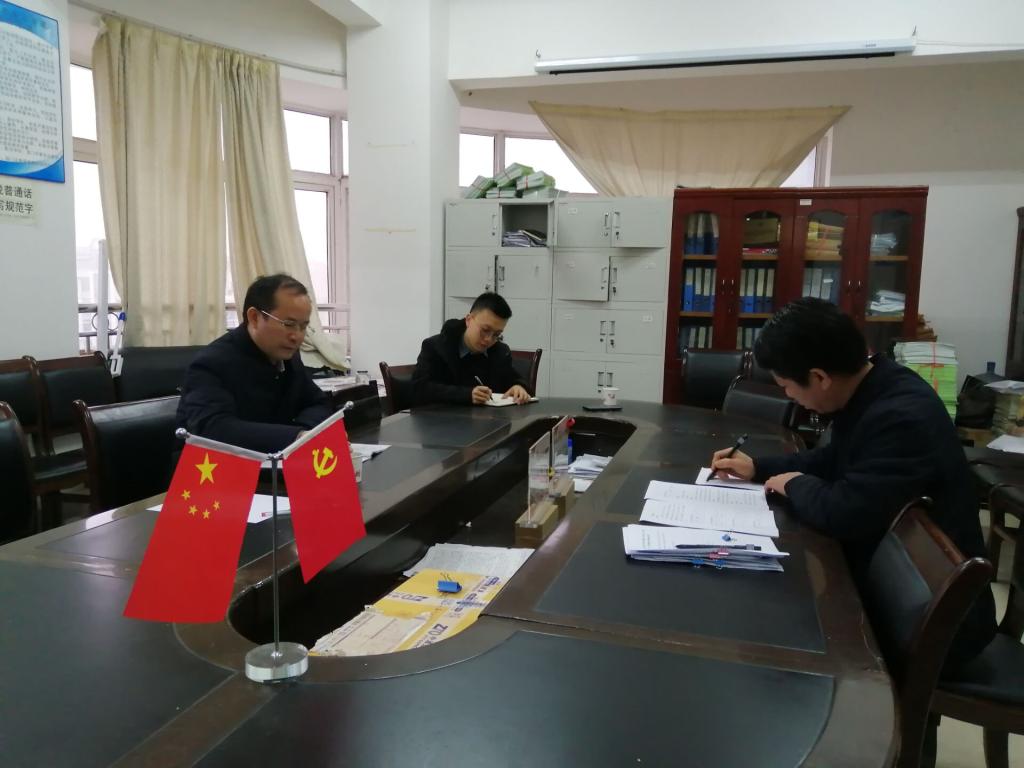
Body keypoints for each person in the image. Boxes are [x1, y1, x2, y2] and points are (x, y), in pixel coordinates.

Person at [711, 297, 996, 667]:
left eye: (786, 386)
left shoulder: (900, 417)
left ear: (819, 378)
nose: (788, 395)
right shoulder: (876, 385)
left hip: (934, 627)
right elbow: (834, 460)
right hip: (897, 590)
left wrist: (794, 484)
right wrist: (759, 468)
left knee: (768, 621)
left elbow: (845, 512)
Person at [176, 274, 331, 453]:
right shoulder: (211, 363)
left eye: (303, 326)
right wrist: (294, 437)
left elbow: (318, 403)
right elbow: (213, 428)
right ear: (255, 317)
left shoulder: (288, 356)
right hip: (212, 466)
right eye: (289, 324)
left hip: (275, 460)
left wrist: (303, 434)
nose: (296, 336)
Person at [413, 292, 531, 406]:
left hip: (490, 419)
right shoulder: (435, 347)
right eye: (485, 330)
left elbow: (513, 378)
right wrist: (466, 395)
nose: (488, 339)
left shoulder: (500, 352)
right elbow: (418, 388)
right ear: (468, 320)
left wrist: (519, 386)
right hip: (441, 418)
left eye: (497, 334)